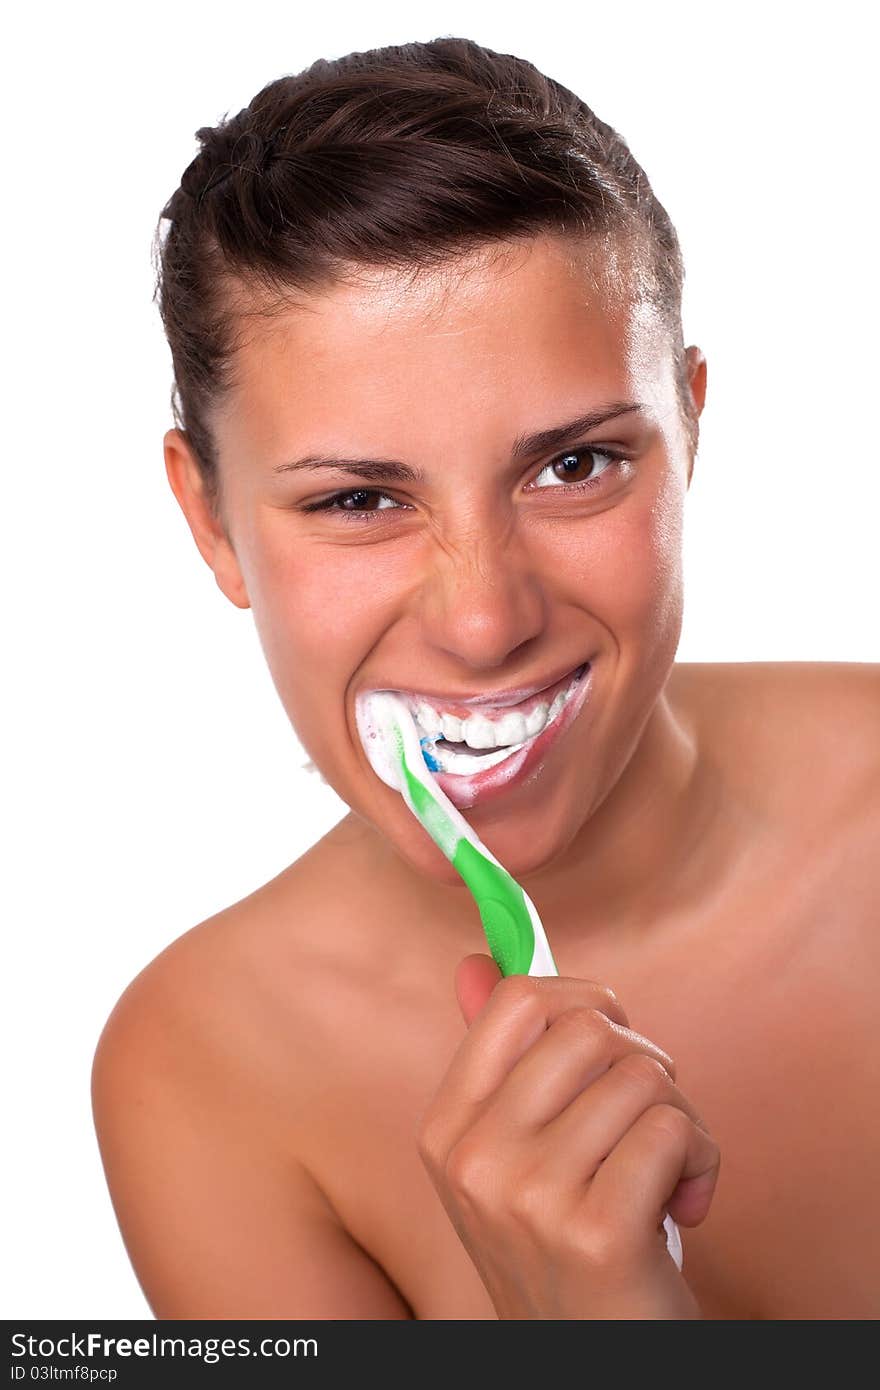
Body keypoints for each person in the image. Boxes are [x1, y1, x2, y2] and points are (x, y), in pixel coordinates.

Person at [91, 35, 880, 1320]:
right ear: (213, 522)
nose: (482, 619)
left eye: (572, 467)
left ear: (687, 428)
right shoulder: (205, 1074)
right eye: (358, 498)